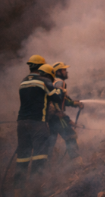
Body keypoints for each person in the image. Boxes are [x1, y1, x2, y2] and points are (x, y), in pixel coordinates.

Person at [15, 58, 63, 197]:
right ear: (42, 67)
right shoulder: (44, 81)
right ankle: (35, 191)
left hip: (21, 124)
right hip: (37, 124)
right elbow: (57, 98)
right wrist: (59, 88)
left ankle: (18, 191)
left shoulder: (23, 81)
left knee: (22, 157)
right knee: (39, 156)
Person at [45, 62, 84, 162]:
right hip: (57, 116)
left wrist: (74, 103)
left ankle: (44, 163)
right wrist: (63, 116)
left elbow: (62, 99)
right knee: (70, 135)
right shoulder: (59, 82)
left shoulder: (53, 82)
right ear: (58, 72)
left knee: (51, 140)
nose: (66, 72)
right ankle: (76, 161)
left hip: (51, 117)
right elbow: (56, 99)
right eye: (64, 70)